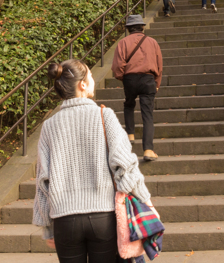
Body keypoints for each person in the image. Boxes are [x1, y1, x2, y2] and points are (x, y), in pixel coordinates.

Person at [33, 59, 151, 263]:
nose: (93, 79)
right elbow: (125, 165)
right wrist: (144, 199)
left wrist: (47, 227)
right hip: (103, 217)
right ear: (83, 84)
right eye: (90, 75)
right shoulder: (105, 116)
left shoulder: (49, 126)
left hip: (64, 219)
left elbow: (43, 181)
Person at [111, 14, 163, 161]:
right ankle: (148, 150)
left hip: (130, 79)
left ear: (128, 29)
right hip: (148, 79)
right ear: (143, 27)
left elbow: (117, 65)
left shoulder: (123, 43)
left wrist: (123, 77)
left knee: (129, 104)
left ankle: (130, 134)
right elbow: (159, 65)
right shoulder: (152, 42)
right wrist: (157, 83)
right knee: (147, 115)